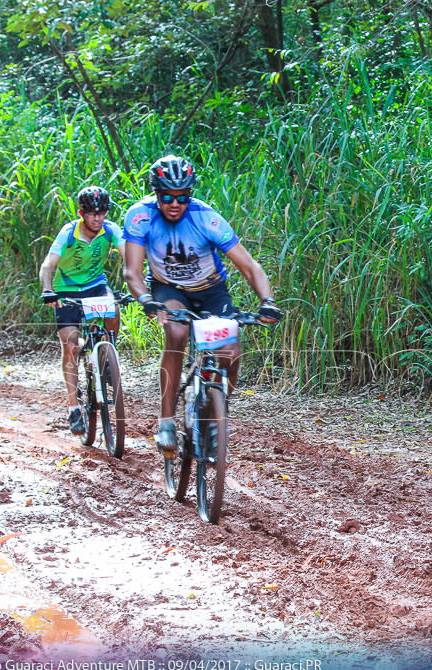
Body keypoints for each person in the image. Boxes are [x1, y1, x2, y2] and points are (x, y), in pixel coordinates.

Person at [122, 155, 282, 452]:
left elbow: (249, 266)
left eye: (182, 197)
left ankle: (214, 412)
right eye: (167, 196)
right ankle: (167, 421)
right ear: (156, 193)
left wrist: (267, 301)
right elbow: (131, 271)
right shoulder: (140, 215)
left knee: (230, 355)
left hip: (211, 290)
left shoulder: (205, 217)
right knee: (177, 333)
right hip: (169, 288)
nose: (174, 203)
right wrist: (145, 299)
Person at [39, 186, 126, 435]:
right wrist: (48, 290)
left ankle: (108, 356)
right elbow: (47, 265)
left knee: (114, 308)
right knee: (71, 345)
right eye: (91, 213)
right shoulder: (69, 232)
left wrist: (138, 285)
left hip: (95, 285)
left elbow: (128, 255)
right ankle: (73, 407)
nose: (97, 218)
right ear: (81, 213)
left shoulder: (110, 230)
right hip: (65, 290)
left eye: (102, 212)